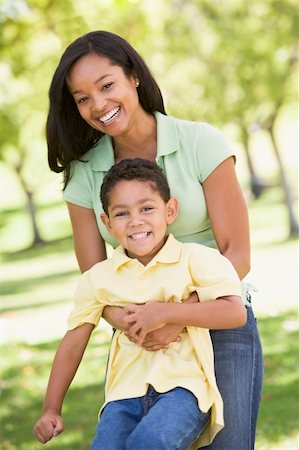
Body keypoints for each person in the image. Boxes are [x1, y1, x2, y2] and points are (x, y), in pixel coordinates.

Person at [44, 30, 263, 449]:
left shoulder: (200, 142)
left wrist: (175, 315)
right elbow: (94, 276)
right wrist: (134, 322)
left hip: (218, 316)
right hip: (138, 338)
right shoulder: (82, 172)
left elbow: (238, 253)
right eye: (82, 97)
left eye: (107, 85)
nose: (99, 105)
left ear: (134, 77)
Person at [34, 158, 246, 449]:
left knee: (149, 442)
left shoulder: (195, 259)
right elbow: (72, 344)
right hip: (123, 394)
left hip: (184, 390)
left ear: (170, 210)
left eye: (147, 208)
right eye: (122, 213)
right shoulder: (98, 279)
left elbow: (234, 312)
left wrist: (165, 312)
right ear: (106, 223)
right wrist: (51, 408)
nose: (135, 221)